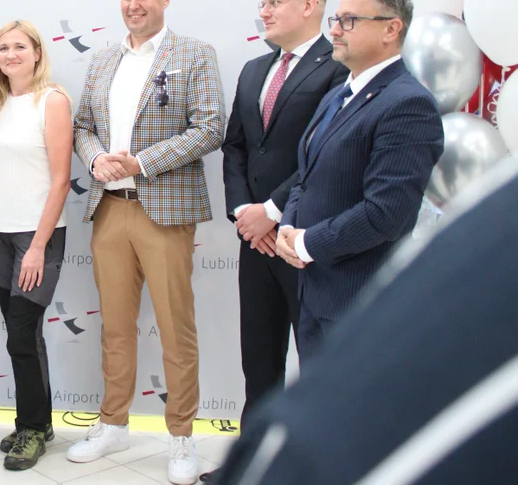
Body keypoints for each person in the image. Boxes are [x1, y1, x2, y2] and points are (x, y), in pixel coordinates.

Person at [213, 157, 518, 485]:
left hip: (332, 266)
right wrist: (269, 221)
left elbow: (385, 209)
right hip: (288, 249)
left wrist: (288, 226)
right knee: (263, 359)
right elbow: (306, 166)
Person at [70, 0, 227, 485]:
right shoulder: (102, 60)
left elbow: (209, 129)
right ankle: (113, 423)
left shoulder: (194, 54)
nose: (133, 4)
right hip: (109, 209)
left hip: (165, 211)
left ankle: (181, 436)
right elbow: (83, 126)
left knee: (175, 328)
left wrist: (141, 162)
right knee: (115, 327)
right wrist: (96, 159)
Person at [205, 0, 347, 483]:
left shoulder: (337, 68)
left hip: (305, 241)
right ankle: (253, 466)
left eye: (274, 2)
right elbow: (236, 148)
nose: (263, 11)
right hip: (255, 241)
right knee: (259, 361)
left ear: (309, 5)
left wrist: (272, 210)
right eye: (262, 2)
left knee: (317, 364)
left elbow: (325, 153)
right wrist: (246, 213)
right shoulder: (253, 70)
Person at [273, 0, 444, 360]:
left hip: (361, 303)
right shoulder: (339, 95)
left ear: (391, 29)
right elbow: (307, 176)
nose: (334, 30)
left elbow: (387, 213)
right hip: (315, 294)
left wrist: (306, 243)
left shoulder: (407, 104)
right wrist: (289, 226)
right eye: (335, 19)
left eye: (349, 21)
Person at [0, 21, 72, 471]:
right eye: (2, 48)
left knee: (20, 336)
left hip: (36, 235)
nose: (10, 54)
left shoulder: (52, 100)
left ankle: (30, 428)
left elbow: (61, 180)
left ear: (37, 53)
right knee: (25, 336)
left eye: (19, 47)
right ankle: (39, 422)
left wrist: (38, 247)